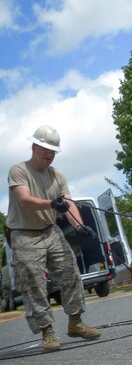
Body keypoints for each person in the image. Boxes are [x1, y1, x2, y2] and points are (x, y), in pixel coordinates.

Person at [6, 125, 101, 352]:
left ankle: (76, 323)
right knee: (33, 284)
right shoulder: (18, 170)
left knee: (71, 273)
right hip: (24, 234)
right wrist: (51, 203)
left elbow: (67, 204)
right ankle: (47, 332)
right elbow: (24, 200)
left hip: (50, 231)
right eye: (45, 149)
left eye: (53, 151)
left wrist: (81, 227)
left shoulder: (57, 176)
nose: (49, 154)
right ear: (34, 147)